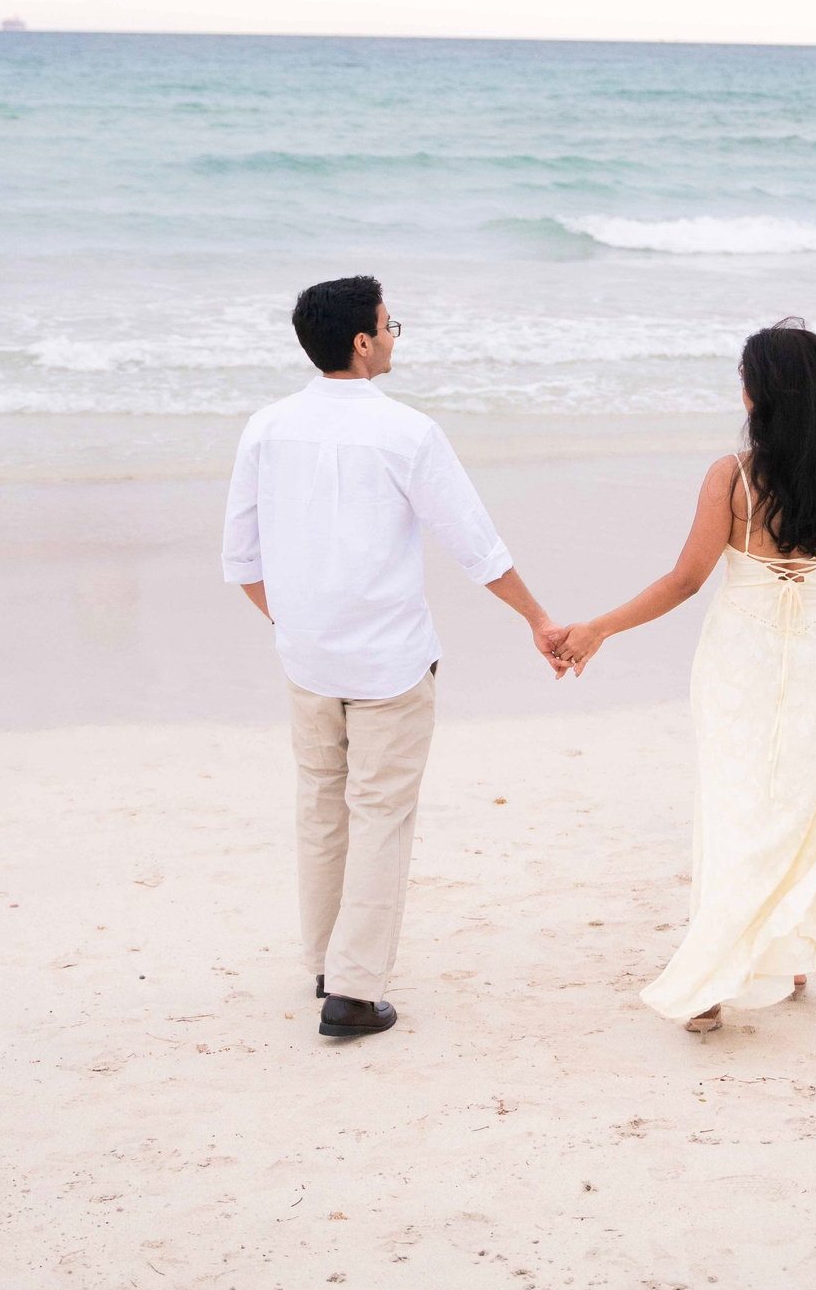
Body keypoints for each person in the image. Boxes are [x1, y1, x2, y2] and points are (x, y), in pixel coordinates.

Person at [222, 276, 565, 1040]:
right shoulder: (406, 432)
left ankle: (325, 965)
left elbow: (241, 562)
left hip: (307, 660)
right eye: (389, 325)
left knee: (321, 808)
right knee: (380, 815)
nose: (393, 336)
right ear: (362, 342)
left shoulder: (266, 428)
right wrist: (538, 618)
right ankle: (351, 992)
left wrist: (299, 625)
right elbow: (475, 546)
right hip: (389, 664)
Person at [550, 320, 816, 1033]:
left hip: (741, 658)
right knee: (802, 806)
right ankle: (789, 956)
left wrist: (598, 628)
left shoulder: (732, 478)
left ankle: (709, 987)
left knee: (733, 808)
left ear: (760, 395)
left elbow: (685, 580)